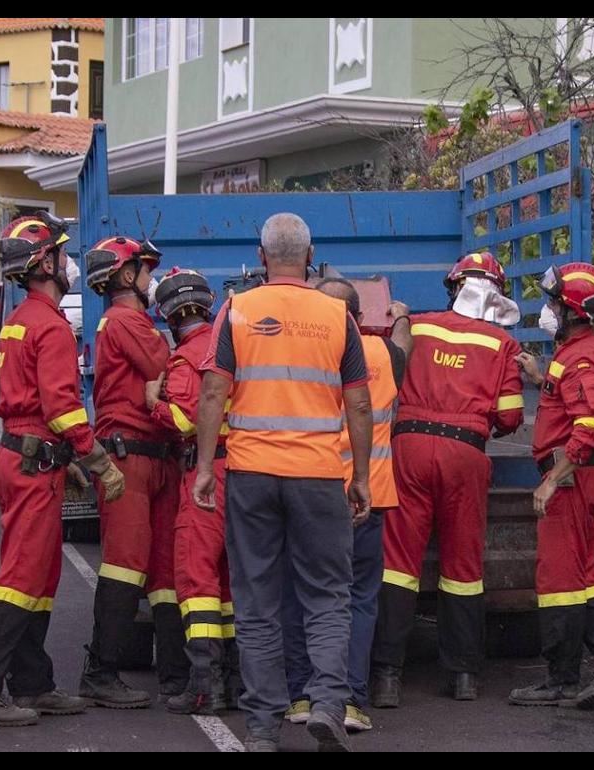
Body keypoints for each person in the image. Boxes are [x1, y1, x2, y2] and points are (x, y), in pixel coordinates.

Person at [192, 212, 373, 752]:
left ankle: (264, 728)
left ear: (262, 255)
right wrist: (360, 476)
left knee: (256, 601)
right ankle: (326, 705)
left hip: (250, 474)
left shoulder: (237, 309)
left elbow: (211, 394)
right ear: (311, 255)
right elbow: (359, 402)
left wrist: (205, 467)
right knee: (326, 598)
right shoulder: (339, 314)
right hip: (318, 475)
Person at [0, 213, 126, 726]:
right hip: (34, 464)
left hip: (24, 458)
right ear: (44, 262)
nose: (68, 263)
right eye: (60, 253)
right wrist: (97, 462)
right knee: (20, 577)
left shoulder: (19, 321)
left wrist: (65, 458)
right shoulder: (50, 326)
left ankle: (33, 684)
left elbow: (29, 404)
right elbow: (63, 408)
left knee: (41, 572)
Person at [370, 251, 525, 706]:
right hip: (465, 453)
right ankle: (462, 677)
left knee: (397, 566)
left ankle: (386, 679)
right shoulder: (503, 344)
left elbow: (384, 375)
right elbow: (512, 417)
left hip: (410, 448)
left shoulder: (415, 325)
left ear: (453, 286)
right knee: (463, 569)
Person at [509, 262, 594, 709]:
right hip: (585, 479)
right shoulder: (582, 350)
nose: (548, 310)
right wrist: (539, 375)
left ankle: (562, 679)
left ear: (571, 311)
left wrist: (553, 481)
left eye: (553, 303)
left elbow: (590, 424)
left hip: (571, 480)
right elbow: (573, 396)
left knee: (559, 579)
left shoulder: (580, 355)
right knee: (586, 575)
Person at [282, 277, 413, 733]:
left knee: (301, 595)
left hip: (309, 493)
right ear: (359, 319)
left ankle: (301, 695)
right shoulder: (382, 355)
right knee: (357, 599)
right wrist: (402, 317)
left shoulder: (298, 356)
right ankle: (352, 701)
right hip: (367, 497)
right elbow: (403, 347)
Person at [79, 236, 189, 708]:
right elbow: (168, 369)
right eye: (146, 271)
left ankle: (174, 672)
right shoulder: (126, 320)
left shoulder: (125, 321)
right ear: (127, 277)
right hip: (132, 457)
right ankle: (100, 673)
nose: (152, 279)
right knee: (125, 566)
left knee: (162, 571)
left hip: (154, 455)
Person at [143, 268, 241, 715]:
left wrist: (154, 404)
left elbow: (186, 420)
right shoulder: (235, 345)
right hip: (243, 472)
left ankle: (206, 687)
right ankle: (238, 682)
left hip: (205, 475)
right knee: (230, 584)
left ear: (167, 314)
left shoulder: (185, 360)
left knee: (196, 577)